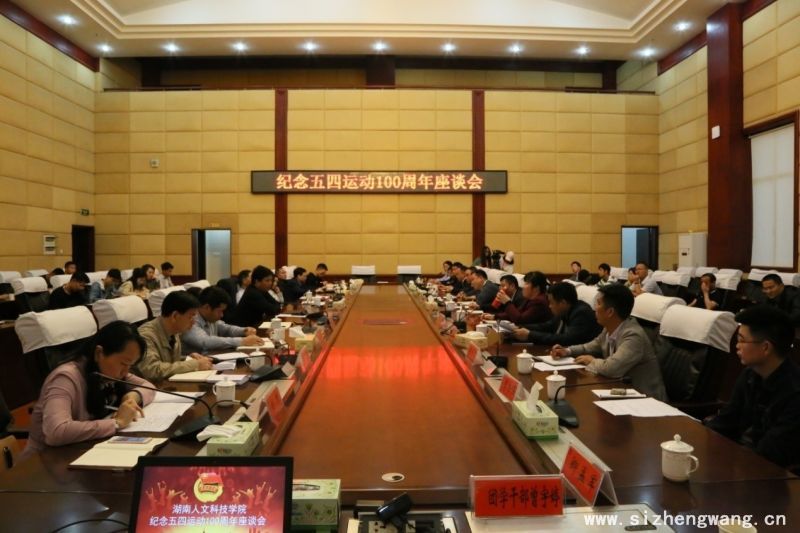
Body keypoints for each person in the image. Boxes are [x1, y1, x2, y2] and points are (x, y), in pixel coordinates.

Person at [21, 321, 155, 459]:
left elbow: (149, 386)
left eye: (130, 366)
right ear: (99, 353)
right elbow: (55, 432)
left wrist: (131, 397)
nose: (126, 372)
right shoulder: (65, 377)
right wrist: (117, 423)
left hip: (83, 452)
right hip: (44, 462)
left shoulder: (108, 372)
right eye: (123, 363)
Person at [705, 306, 800, 469]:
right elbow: (726, 421)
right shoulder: (750, 374)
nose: (737, 346)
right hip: (745, 461)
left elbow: (772, 452)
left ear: (765, 347)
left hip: (773, 473)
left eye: (742, 340)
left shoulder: (794, 392)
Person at [552, 284, 667, 400]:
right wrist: (567, 351)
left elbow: (612, 369)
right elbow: (590, 346)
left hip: (647, 399)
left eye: (598, 303)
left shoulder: (633, 335)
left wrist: (591, 360)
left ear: (610, 312)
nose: (595, 308)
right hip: (622, 391)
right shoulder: (609, 328)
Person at [135, 291, 213, 381]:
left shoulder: (175, 331)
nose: (194, 322)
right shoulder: (146, 335)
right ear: (175, 316)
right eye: (190, 317)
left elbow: (167, 361)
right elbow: (152, 370)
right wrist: (195, 364)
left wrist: (187, 358)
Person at [181, 286, 264, 354]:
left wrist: (244, 331)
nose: (222, 315)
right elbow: (205, 342)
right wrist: (242, 341)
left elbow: (226, 328)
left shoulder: (210, 318)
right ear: (207, 307)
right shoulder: (190, 319)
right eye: (219, 311)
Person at [514, 282, 602, 346]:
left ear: (563, 303)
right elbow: (547, 326)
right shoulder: (565, 310)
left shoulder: (581, 313)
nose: (549, 306)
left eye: (551, 302)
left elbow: (566, 339)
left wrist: (530, 335)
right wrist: (519, 327)